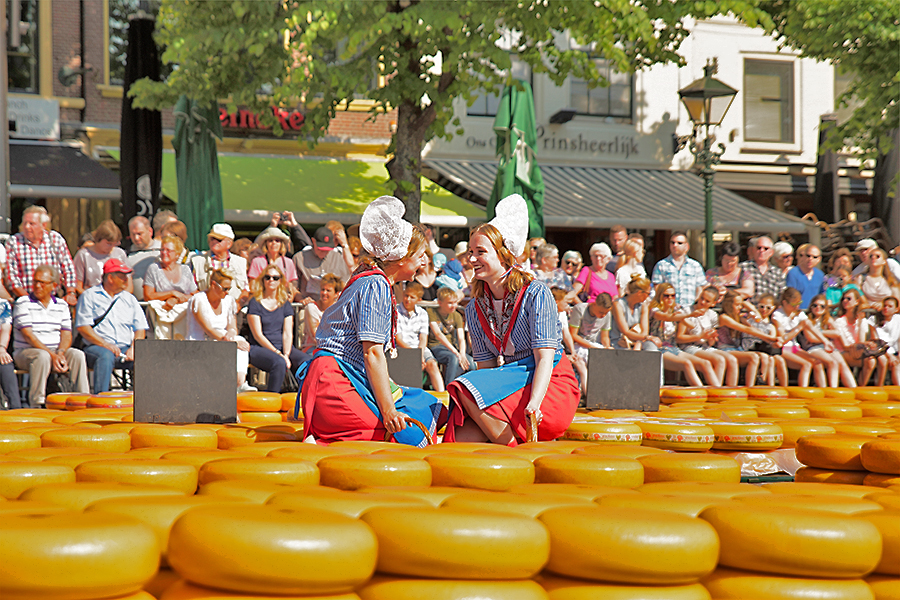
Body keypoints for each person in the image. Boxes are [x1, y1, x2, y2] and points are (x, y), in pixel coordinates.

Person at [295, 196, 446, 446]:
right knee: (399, 434)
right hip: (334, 381)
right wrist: (388, 411)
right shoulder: (376, 284)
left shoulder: (370, 277)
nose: (424, 262)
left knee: (427, 405)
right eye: (420, 255)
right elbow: (372, 354)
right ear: (401, 258)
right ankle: (324, 439)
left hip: (340, 376)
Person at [444, 194, 579, 445]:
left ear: (504, 254)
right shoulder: (475, 306)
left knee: (463, 387)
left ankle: (518, 458)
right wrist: (488, 406)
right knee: (461, 438)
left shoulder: (536, 293)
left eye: (480, 252)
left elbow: (545, 359)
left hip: (548, 388)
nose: (471, 259)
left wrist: (534, 405)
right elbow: (486, 371)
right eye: (471, 252)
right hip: (509, 384)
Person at [12, 265, 89, 407]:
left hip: (55, 350)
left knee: (77, 355)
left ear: (53, 285)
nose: (37, 286)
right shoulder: (23, 303)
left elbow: (66, 333)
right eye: (35, 281)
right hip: (26, 352)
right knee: (42, 356)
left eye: (42, 282)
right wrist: (52, 355)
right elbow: (29, 336)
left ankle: (82, 399)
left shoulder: (61, 305)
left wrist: (60, 353)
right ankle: (38, 402)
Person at [75, 259, 148, 394]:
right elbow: (83, 328)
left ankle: (144, 401)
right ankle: (101, 400)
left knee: (145, 357)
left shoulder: (130, 298)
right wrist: (105, 344)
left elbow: (140, 328)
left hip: (125, 347)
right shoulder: (89, 296)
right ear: (110, 278)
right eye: (122, 277)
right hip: (96, 347)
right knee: (106, 356)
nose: (126, 280)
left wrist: (134, 348)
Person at [186, 268, 254, 392]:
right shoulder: (199, 300)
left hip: (221, 340)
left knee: (241, 340)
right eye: (225, 288)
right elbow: (208, 329)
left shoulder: (229, 301)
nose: (227, 292)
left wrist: (231, 334)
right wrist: (229, 340)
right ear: (213, 285)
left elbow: (232, 326)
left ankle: (241, 381)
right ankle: (238, 384)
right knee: (237, 343)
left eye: (229, 289)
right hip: (200, 342)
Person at [246, 265, 310, 393]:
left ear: (280, 281)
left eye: (275, 278)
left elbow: (287, 333)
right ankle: (272, 398)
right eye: (267, 277)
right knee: (279, 363)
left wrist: (286, 354)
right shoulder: (255, 302)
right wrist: (278, 353)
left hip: (283, 347)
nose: (271, 280)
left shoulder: (284, 303)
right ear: (262, 280)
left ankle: (303, 397)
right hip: (260, 347)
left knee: (306, 361)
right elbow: (258, 335)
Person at [649, 282, 719, 387]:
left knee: (705, 363)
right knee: (687, 363)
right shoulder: (655, 310)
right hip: (660, 349)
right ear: (660, 296)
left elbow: (691, 325)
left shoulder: (676, 309)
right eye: (666, 295)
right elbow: (667, 317)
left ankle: (717, 391)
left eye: (672, 295)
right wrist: (689, 314)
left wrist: (686, 319)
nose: (670, 298)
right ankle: (701, 392)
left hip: (673, 348)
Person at [6, 206, 77, 306]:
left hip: (54, 299)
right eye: (25, 223)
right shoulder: (14, 242)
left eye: (31, 224)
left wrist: (71, 292)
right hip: (26, 299)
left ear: (43, 225)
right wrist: (29, 301)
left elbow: (68, 268)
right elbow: (11, 276)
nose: (26, 227)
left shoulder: (55, 239)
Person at [143, 235, 198, 340]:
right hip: (158, 322)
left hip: (182, 322)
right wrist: (172, 293)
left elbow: (195, 294)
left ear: (177, 254)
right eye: (162, 249)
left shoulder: (185, 270)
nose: (164, 253)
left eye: (168, 250)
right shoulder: (154, 269)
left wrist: (175, 299)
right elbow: (148, 295)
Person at [770, 287, 826, 388]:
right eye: (793, 305)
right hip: (783, 349)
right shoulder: (777, 315)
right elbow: (782, 339)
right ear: (785, 303)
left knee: (817, 363)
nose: (797, 307)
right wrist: (799, 328)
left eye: (799, 303)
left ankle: (824, 391)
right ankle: (802, 391)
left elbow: (811, 327)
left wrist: (825, 341)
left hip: (795, 347)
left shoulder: (799, 314)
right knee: (806, 364)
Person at [832, 287, 887, 386]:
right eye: (843, 299)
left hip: (856, 350)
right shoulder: (839, 321)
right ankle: (861, 388)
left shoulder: (861, 320)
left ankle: (868, 387)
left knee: (876, 360)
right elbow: (845, 346)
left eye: (848, 299)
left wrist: (860, 323)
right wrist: (864, 344)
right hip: (843, 351)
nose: (845, 301)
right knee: (871, 361)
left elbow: (860, 341)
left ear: (857, 301)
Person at [676, 286, 731, 387]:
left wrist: (711, 338)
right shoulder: (687, 312)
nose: (702, 302)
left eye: (707, 301)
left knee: (729, 359)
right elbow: (679, 338)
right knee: (719, 359)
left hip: (704, 346)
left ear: (713, 304)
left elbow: (711, 342)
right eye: (702, 298)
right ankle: (716, 390)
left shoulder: (713, 315)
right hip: (688, 346)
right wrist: (699, 336)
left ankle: (728, 390)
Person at [396, 281, 444, 392]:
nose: (407, 299)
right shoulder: (396, 312)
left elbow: (423, 338)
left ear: (418, 300)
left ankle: (442, 396)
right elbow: (398, 339)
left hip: (419, 349)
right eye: (406, 295)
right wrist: (415, 356)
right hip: (402, 349)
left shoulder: (422, 313)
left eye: (412, 297)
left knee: (432, 364)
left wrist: (420, 355)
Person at [805, 293, 858, 388]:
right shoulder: (807, 320)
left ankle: (854, 388)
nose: (818, 308)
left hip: (827, 345)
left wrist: (820, 332)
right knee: (832, 362)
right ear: (811, 307)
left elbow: (837, 333)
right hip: (813, 348)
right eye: (815, 305)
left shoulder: (827, 320)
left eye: (822, 306)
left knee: (842, 363)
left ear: (825, 309)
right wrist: (826, 338)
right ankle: (832, 389)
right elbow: (811, 338)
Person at [190, 224, 249, 304]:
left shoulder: (240, 262)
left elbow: (245, 290)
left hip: (233, 310)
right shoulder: (197, 261)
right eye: (212, 238)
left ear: (229, 244)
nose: (214, 242)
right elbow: (192, 290)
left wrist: (238, 304)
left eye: (219, 239)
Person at [294, 226, 351, 305]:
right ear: (313, 241)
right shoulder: (300, 258)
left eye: (327, 250)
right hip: (308, 306)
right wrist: (302, 299)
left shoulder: (338, 257)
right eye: (321, 249)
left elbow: (346, 283)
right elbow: (292, 286)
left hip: (333, 306)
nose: (324, 252)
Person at [427, 287, 473, 383]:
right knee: (453, 358)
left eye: (455, 302)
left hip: (452, 348)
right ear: (440, 303)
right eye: (450, 303)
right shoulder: (432, 312)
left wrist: (463, 354)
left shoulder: (457, 315)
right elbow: (438, 334)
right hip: (436, 346)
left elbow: (461, 338)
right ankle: (449, 389)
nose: (454, 306)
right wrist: (457, 354)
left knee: (471, 363)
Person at [651, 231, 706, 307]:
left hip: (690, 309)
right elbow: (657, 288)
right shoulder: (661, 265)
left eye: (679, 243)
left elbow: (701, 288)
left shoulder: (695, 265)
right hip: (669, 310)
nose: (675, 245)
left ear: (687, 246)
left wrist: (694, 305)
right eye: (672, 243)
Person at [609, 275, 656, 351]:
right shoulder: (618, 304)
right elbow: (625, 331)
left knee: (652, 348)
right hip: (620, 341)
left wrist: (639, 342)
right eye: (648, 293)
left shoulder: (643, 306)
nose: (648, 297)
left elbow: (645, 331)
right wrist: (647, 337)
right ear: (640, 293)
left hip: (638, 340)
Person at [301, 273, 343, 353]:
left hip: (333, 348)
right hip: (313, 347)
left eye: (328, 290)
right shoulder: (312, 308)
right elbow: (315, 336)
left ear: (336, 294)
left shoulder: (339, 309)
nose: (324, 293)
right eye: (323, 289)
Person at [248, 227, 299, 291]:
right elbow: (253, 286)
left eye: (277, 240)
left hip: (283, 297)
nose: (274, 243)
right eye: (270, 240)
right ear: (265, 244)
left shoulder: (288, 262)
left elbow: (292, 285)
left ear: (281, 244)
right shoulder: (257, 261)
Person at [740, 236, 786, 304]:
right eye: (759, 248)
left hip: (771, 311)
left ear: (771, 252)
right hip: (749, 311)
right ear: (753, 250)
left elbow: (782, 295)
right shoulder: (743, 268)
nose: (761, 250)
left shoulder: (777, 272)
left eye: (765, 248)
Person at [569, 292, 613, 362]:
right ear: (594, 304)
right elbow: (573, 335)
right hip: (578, 344)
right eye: (601, 312)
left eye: (606, 313)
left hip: (595, 344)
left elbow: (604, 336)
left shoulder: (607, 315)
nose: (604, 315)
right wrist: (592, 347)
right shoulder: (580, 309)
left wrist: (607, 346)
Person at [126, 216, 160, 301]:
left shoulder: (162, 250)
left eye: (139, 234)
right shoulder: (127, 254)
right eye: (133, 234)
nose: (136, 238)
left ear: (150, 231)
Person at [784, 243, 824, 309]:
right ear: (803, 256)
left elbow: (822, 295)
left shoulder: (820, 275)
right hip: (797, 312)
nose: (810, 259)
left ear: (819, 259)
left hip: (814, 312)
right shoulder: (793, 273)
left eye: (814, 257)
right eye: (808, 256)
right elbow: (790, 295)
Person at [871, 296, 900, 385]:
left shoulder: (898, 319)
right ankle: (879, 386)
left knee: (897, 363)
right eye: (885, 305)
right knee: (884, 360)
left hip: (893, 351)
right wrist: (890, 355)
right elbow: (877, 341)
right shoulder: (873, 319)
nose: (886, 308)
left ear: (896, 309)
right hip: (878, 349)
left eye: (890, 306)